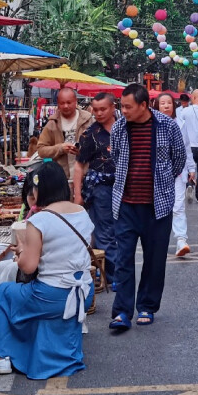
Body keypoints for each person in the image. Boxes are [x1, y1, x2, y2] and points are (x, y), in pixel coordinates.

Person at [0, 162, 94, 377]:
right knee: (27, 293)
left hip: (52, 296)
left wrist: (22, 250)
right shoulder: (81, 212)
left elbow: (28, 266)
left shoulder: (40, 219)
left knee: (5, 292)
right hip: (83, 293)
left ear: (38, 190)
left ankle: (2, 355)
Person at [108, 84, 186, 332]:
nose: (123, 111)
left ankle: (147, 307)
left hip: (158, 206)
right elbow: (116, 158)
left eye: (128, 106)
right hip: (126, 205)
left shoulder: (167, 125)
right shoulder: (119, 127)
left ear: (143, 105)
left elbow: (179, 159)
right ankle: (122, 311)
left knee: (154, 260)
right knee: (123, 259)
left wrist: (161, 184)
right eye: (122, 106)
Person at [74, 92, 118, 283]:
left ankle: (119, 272)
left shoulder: (125, 129)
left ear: (113, 107)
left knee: (123, 231)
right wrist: (77, 195)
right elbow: (79, 165)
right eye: (96, 109)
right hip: (100, 188)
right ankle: (115, 276)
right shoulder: (90, 134)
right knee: (104, 232)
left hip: (126, 187)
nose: (99, 113)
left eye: (103, 109)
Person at [154, 93, 195, 258]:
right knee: (157, 207)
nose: (166, 106)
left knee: (178, 206)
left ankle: (181, 240)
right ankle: (157, 240)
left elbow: (186, 147)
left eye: (169, 103)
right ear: (157, 105)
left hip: (177, 171)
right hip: (156, 173)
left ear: (174, 106)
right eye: (162, 103)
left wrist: (191, 168)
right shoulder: (151, 124)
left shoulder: (181, 123)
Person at [37, 87, 94, 178]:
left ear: (75, 101)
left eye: (69, 102)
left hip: (85, 176)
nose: (65, 106)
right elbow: (41, 150)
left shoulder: (88, 120)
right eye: (62, 103)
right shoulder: (52, 123)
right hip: (61, 178)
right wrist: (60, 148)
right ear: (58, 104)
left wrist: (83, 150)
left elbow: (99, 146)